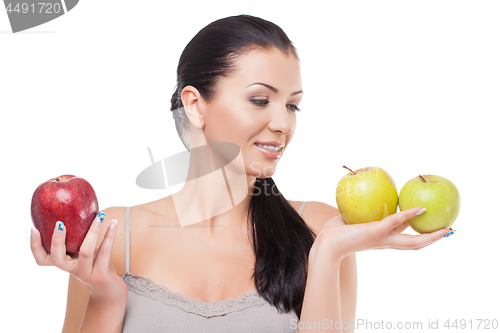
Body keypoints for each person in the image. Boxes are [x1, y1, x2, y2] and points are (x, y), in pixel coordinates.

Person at [30, 14, 453, 333]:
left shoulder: (322, 228)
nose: (283, 124)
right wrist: (105, 295)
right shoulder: (111, 237)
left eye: (292, 104)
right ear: (195, 105)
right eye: (259, 100)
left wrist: (327, 254)